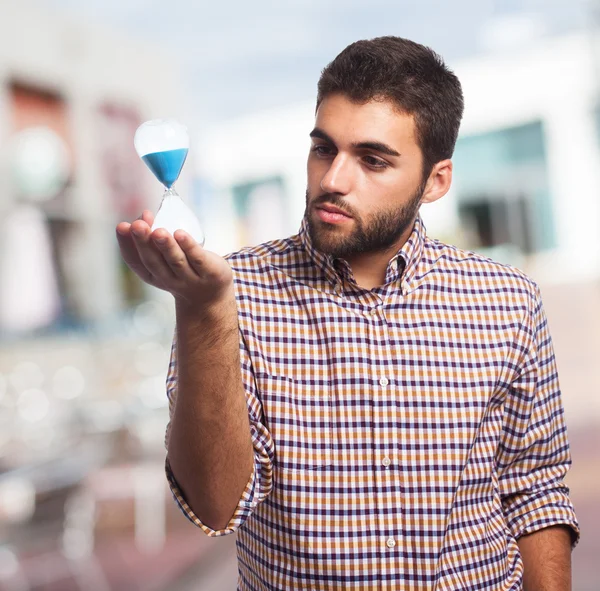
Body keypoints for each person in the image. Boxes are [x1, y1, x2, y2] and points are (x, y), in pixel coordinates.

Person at [117, 36, 579, 590]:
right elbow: (216, 509)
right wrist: (202, 312)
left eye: (373, 160)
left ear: (436, 181)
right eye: (323, 149)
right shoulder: (226, 291)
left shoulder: (508, 300)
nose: (334, 179)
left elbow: (534, 489)